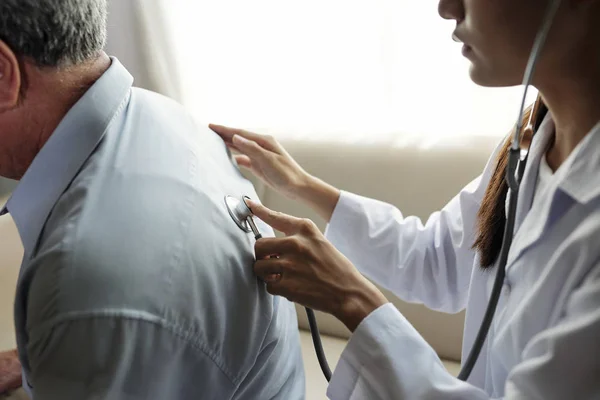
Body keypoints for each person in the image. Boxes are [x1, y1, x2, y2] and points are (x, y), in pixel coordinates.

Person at [210, 0, 600, 398]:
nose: (447, 8)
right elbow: (436, 261)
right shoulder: (528, 143)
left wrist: (352, 298)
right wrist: (303, 186)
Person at [0, 1, 305, 398]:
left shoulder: (88, 288)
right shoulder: (159, 116)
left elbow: (111, 308)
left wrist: (81, 336)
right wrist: (56, 356)